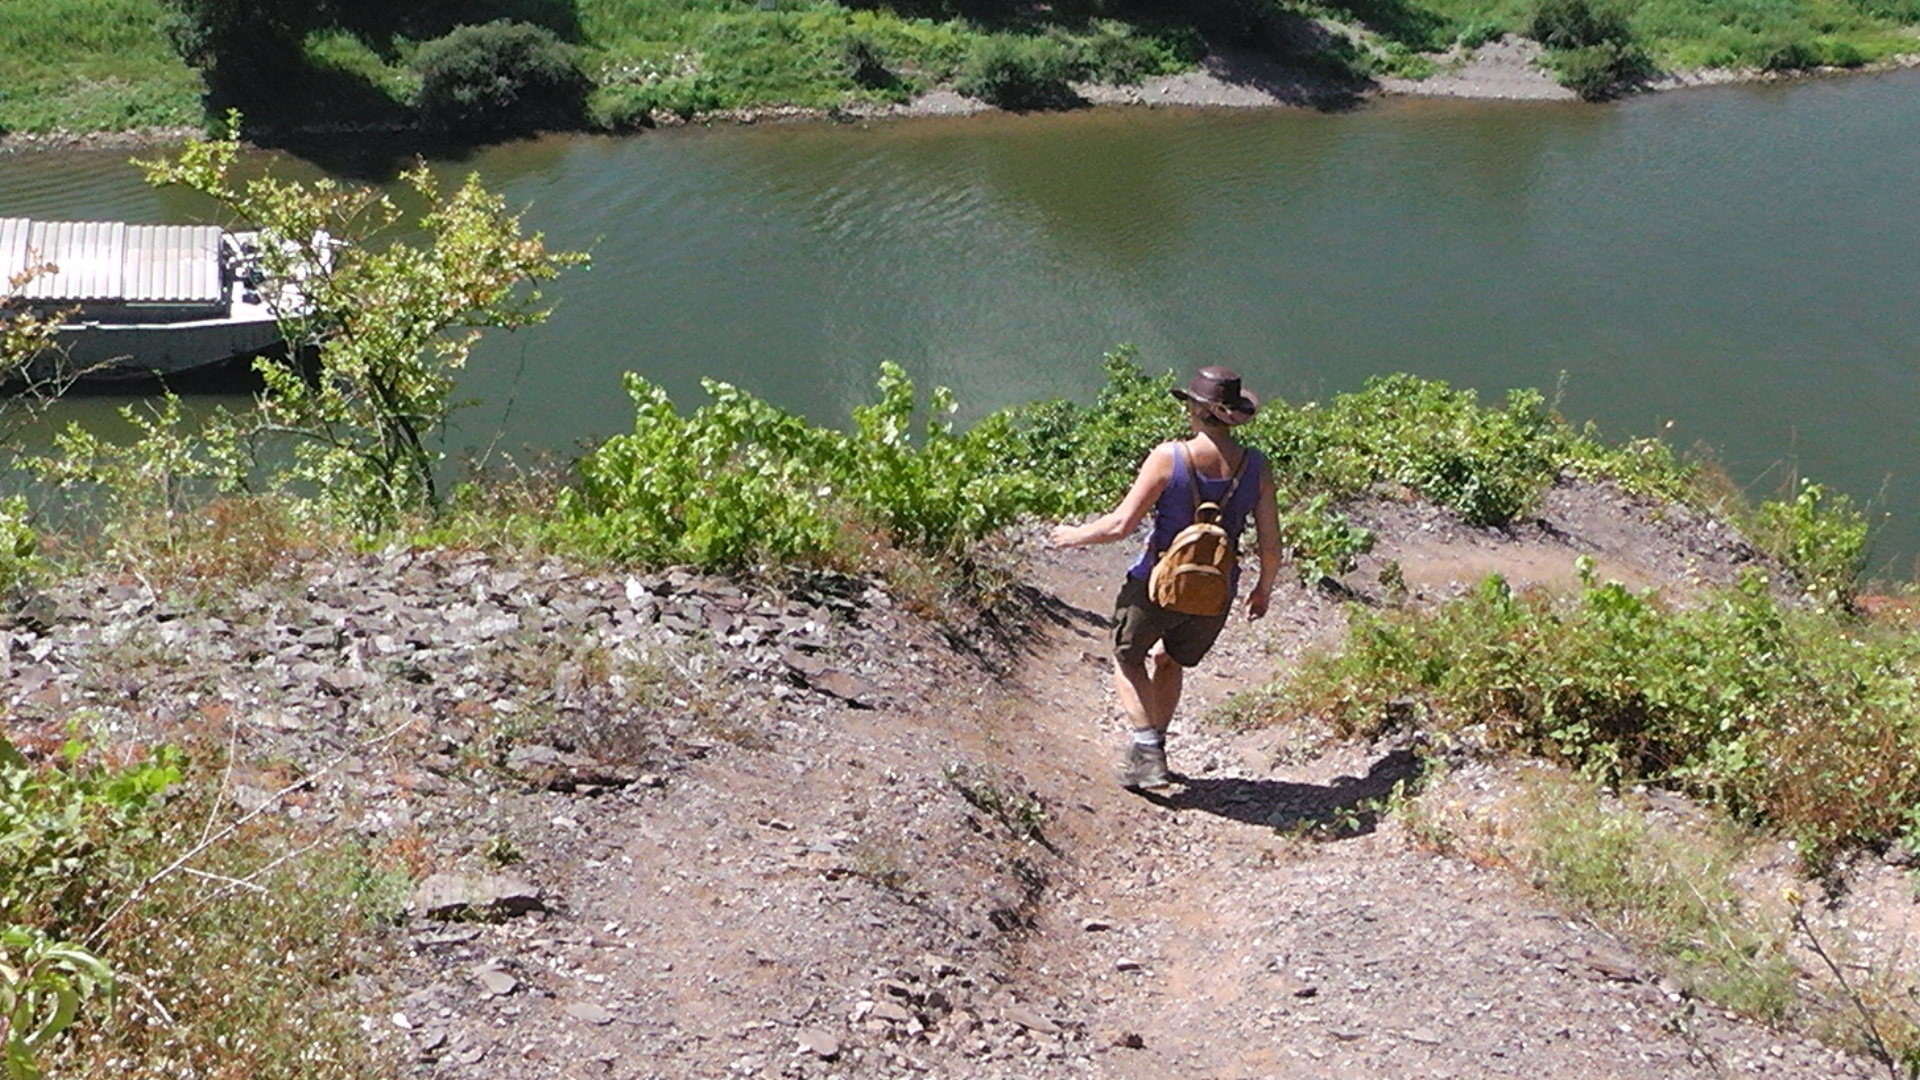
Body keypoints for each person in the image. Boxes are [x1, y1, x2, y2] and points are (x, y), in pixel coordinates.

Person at [1050, 367, 1282, 789]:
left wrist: (1073, 536)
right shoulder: (1256, 466)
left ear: (1196, 409)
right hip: (1216, 589)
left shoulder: (1169, 457)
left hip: (1155, 583)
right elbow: (1270, 544)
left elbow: (1120, 524)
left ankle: (1147, 750)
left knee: (1128, 656)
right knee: (1169, 659)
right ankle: (1154, 743)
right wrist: (1262, 590)